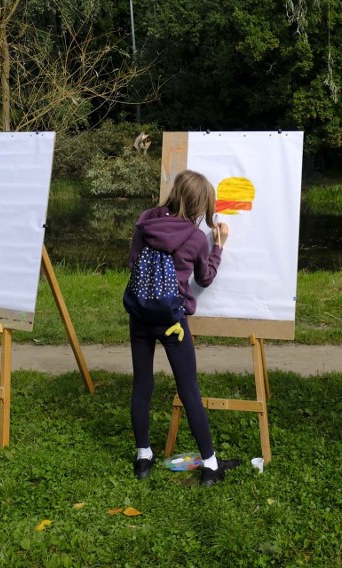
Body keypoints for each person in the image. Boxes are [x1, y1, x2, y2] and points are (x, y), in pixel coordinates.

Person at [128, 169, 241, 485]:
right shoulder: (194, 238)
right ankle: (209, 465)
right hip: (172, 322)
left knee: (142, 384)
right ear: (201, 206)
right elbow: (205, 278)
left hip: (139, 316)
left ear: (176, 192)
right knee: (188, 388)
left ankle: (143, 457)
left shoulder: (145, 221)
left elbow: (134, 263)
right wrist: (218, 246)